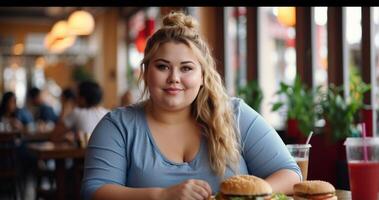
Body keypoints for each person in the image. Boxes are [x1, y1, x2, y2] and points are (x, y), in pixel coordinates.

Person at [82, 11, 301, 200]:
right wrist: (161, 195)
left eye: (186, 68)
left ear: (203, 76)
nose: (174, 78)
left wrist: (245, 196)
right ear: (146, 71)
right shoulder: (118, 125)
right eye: (162, 67)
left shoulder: (235, 114)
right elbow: (94, 191)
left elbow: (290, 174)